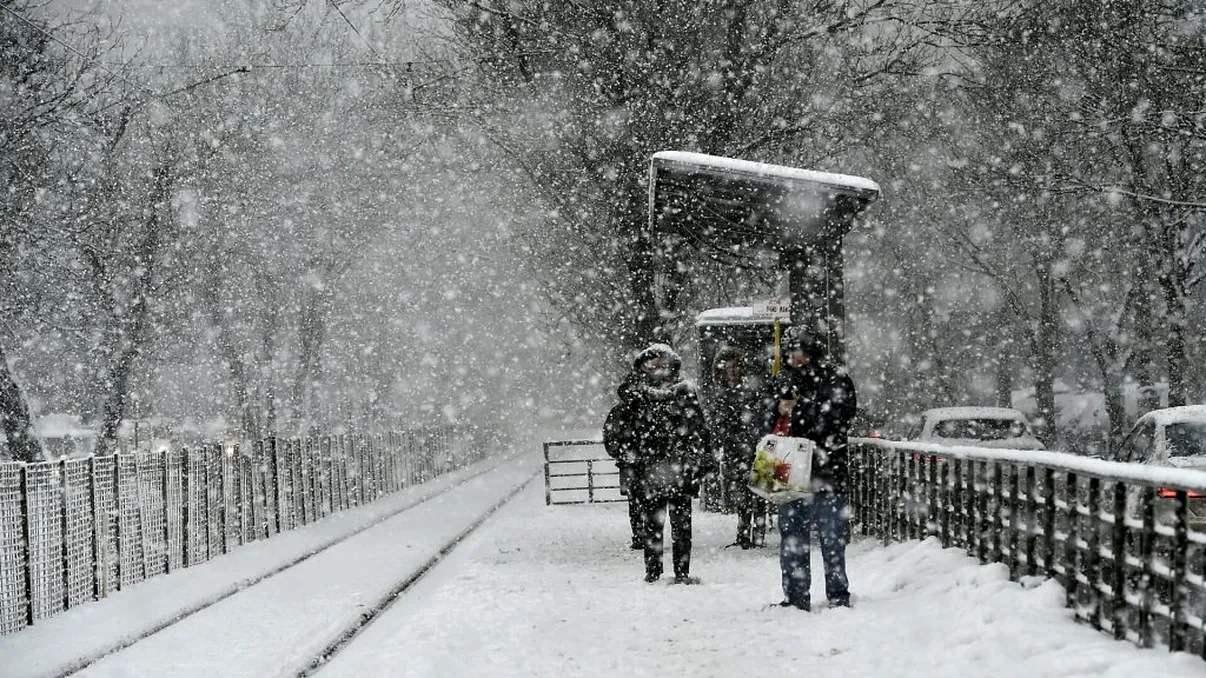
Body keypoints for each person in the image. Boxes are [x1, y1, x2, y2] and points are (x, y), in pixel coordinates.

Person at [603, 343, 716, 584]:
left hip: (679, 469)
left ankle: (680, 571)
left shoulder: (684, 394)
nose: (658, 369)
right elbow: (615, 433)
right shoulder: (634, 398)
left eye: (663, 364)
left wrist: (701, 458)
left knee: (681, 524)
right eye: (653, 364)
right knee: (653, 523)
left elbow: (700, 430)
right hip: (649, 471)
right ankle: (653, 570)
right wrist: (629, 455)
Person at [769, 327, 857, 611]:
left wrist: (798, 407)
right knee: (797, 537)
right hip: (805, 469)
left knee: (827, 538)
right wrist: (780, 410)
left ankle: (835, 594)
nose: (794, 357)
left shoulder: (833, 378)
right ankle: (799, 596)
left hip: (821, 470)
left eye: (798, 351)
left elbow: (837, 417)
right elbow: (766, 418)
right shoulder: (788, 379)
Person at [709, 346, 768, 549]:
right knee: (743, 492)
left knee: (757, 489)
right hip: (737, 446)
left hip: (750, 445)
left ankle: (756, 533)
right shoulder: (724, 393)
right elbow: (718, 422)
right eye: (728, 367)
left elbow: (758, 416)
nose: (732, 371)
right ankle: (745, 533)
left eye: (734, 367)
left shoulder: (747, 391)